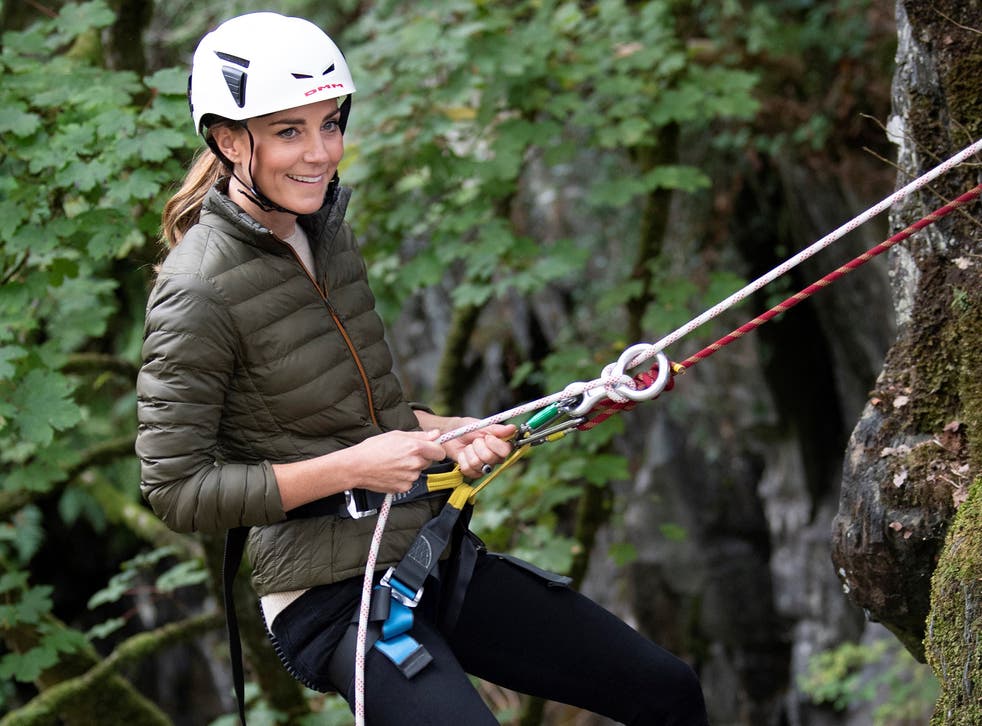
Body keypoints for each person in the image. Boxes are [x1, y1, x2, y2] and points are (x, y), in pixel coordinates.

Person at [136, 11, 708, 726]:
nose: (320, 153)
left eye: (329, 124)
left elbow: (365, 420)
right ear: (227, 140)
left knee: (667, 690)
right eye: (289, 131)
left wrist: (452, 432)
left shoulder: (326, 234)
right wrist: (354, 468)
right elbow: (175, 490)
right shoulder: (197, 290)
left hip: (425, 552)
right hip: (326, 596)